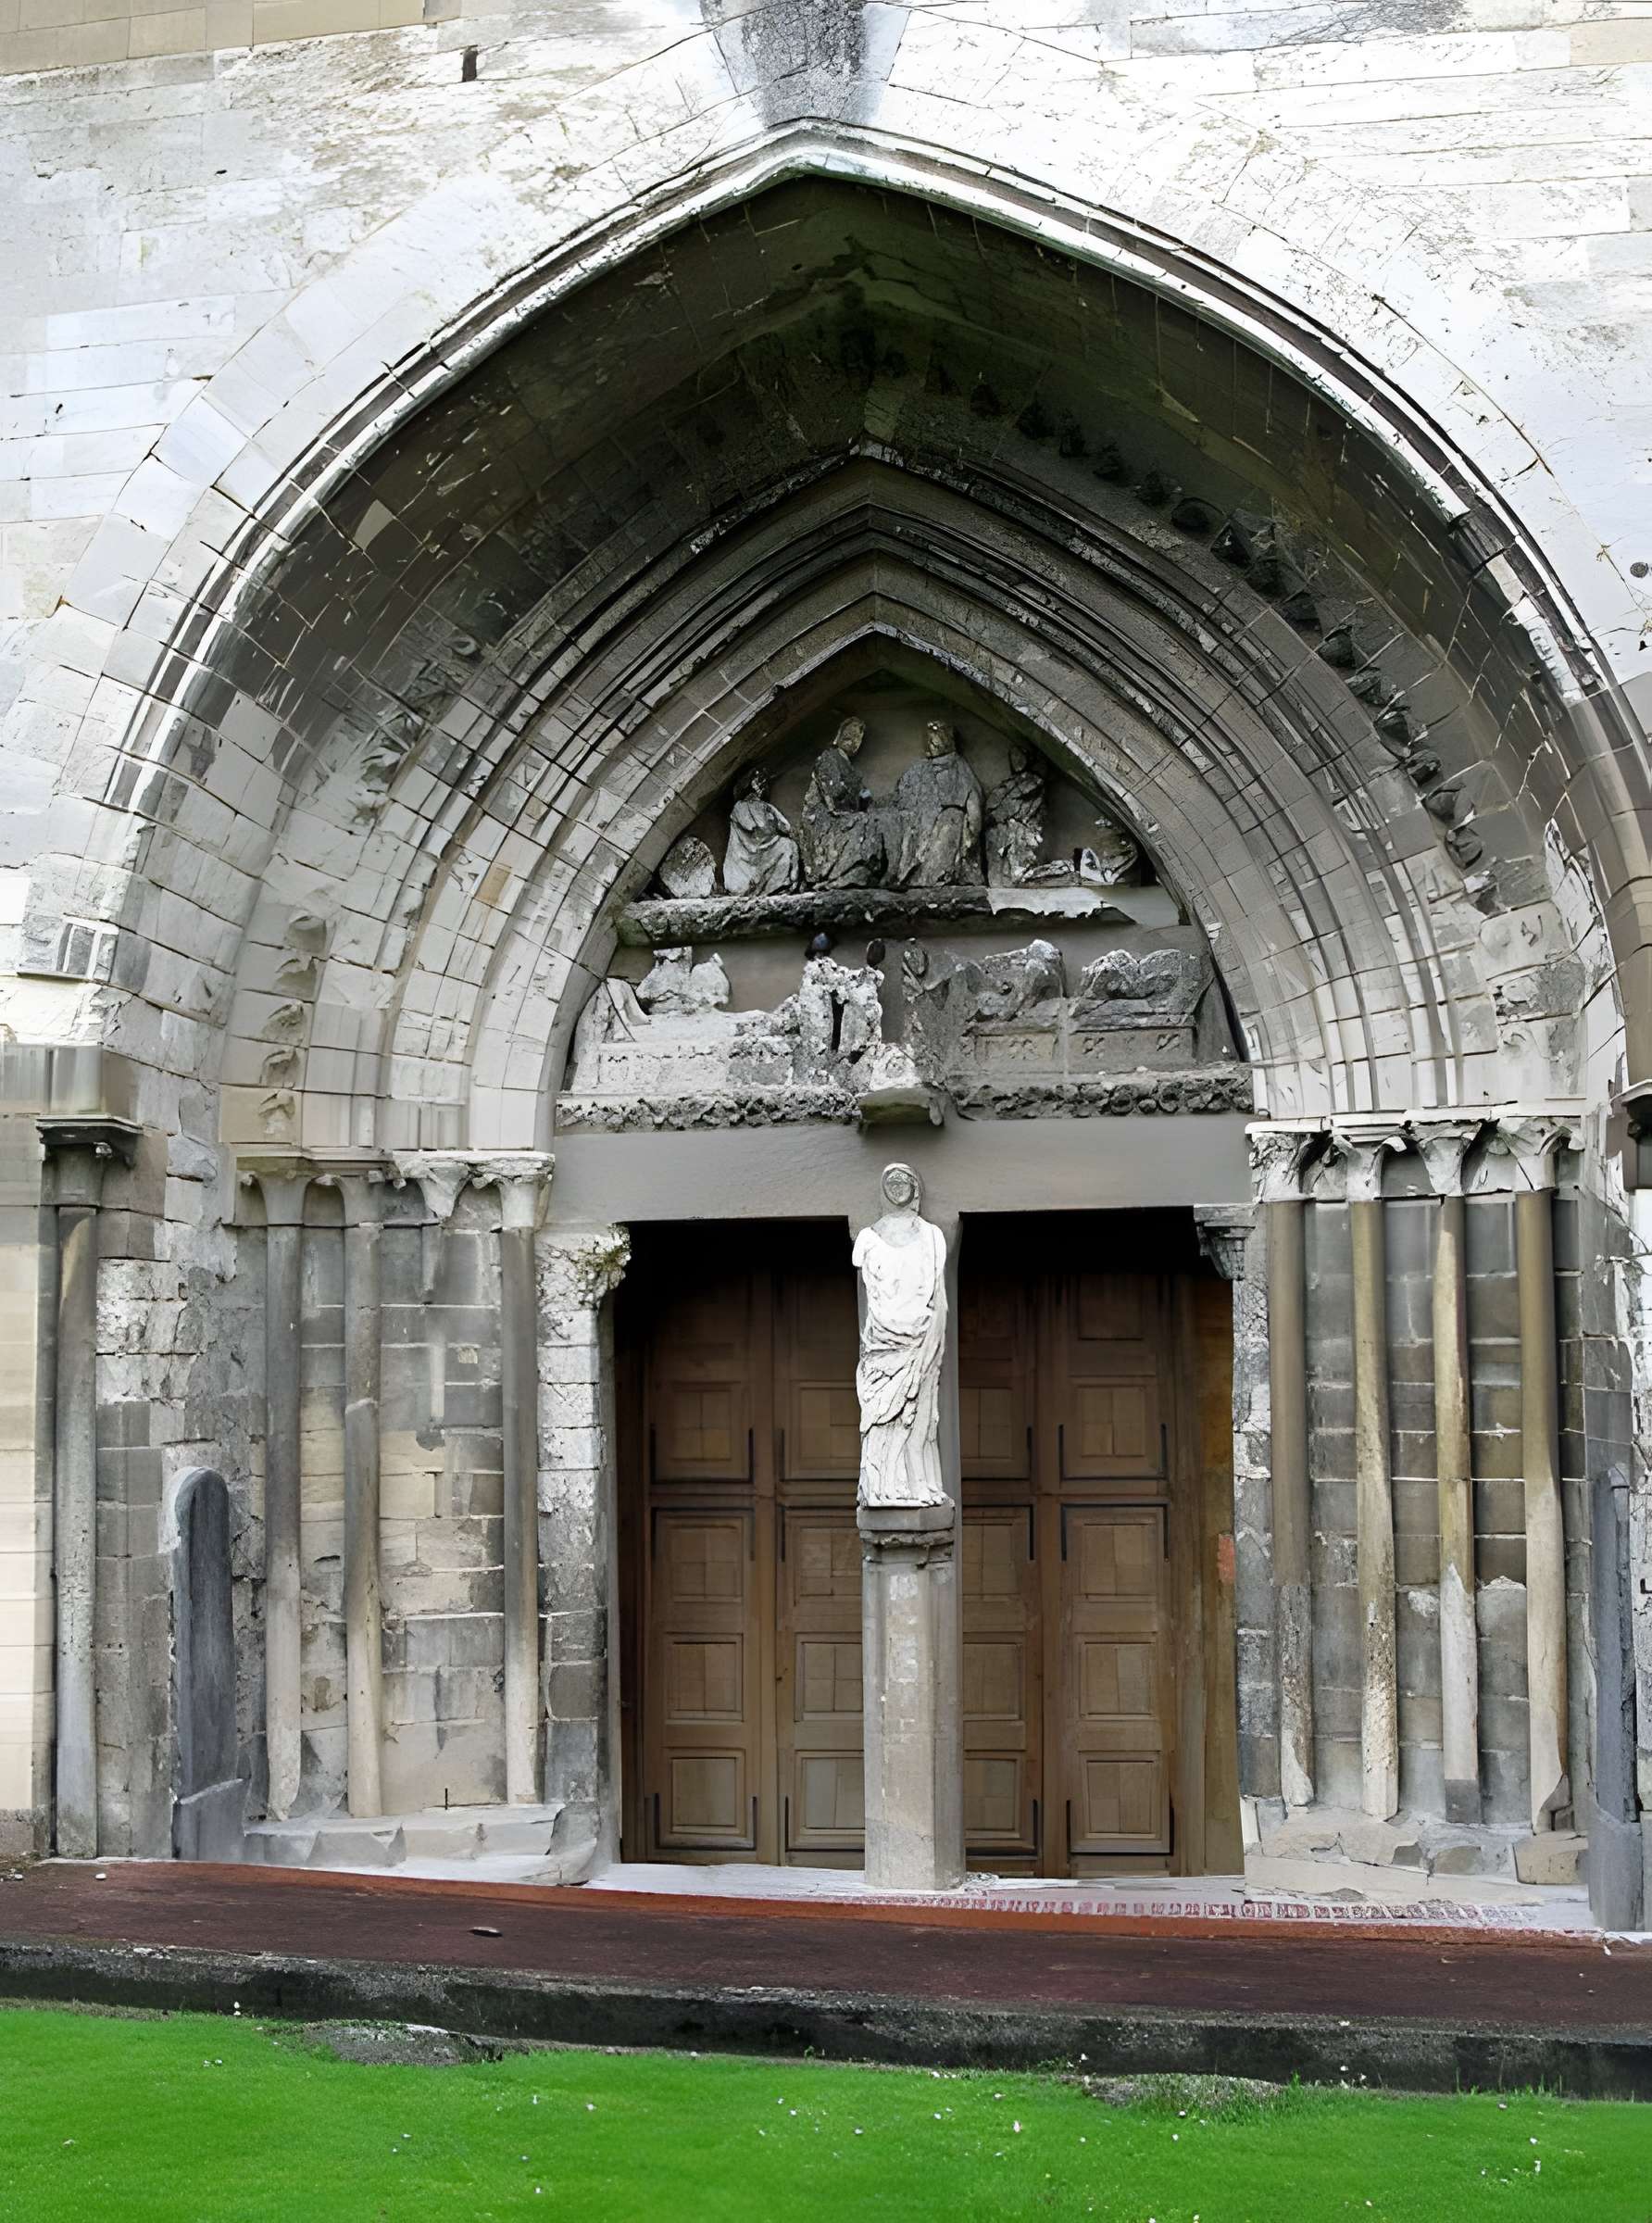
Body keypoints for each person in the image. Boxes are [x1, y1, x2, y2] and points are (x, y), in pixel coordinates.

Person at [852, 1162, 950, 1508]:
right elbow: (868, 1294)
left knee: (922, 1417)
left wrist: (930, 1338)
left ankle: (919, 1484)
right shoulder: (868, 1239)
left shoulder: (932, 1236)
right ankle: (883, 1487)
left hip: (920, 1339)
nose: (897, 1188)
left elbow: (938, 1296)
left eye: (903, 1182)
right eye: (890, 1182)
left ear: (914, 1188)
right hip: (881, 1344)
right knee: (883, 1418)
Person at [888, 721, 983, 887]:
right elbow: (902, 794)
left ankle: (933, 878)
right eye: (930, 742)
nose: (931, 746)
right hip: (921, 819)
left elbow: (974, 801)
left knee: (948, 825)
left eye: (935, 743)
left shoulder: (959, 766)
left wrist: (972, 832)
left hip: (949, 821)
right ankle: (908, 875)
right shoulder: (920, 768)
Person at [797, 715, 885, 887]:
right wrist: (855, 792)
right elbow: (835, 792)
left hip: (844, 813)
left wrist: (873, 803)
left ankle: (860, 872)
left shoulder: (849, 767)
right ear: (839, 735)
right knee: (860, 822)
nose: (853, 739)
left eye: (858, 737)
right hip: (823, 817)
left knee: (875, 819)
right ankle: (841, 876)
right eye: (849, 733)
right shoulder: (828, 758)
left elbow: (865, 795)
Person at [721, 765, 799, 895]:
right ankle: (774, 886)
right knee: (786, 845)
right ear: (749, 785)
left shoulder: (764, 806)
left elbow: (785, 827)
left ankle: (780, 885)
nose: (761, 786)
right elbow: (757, 827)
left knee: (788, 845)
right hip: (749, 858)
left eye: (763, 783)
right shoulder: (742, 807)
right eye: (758, 782)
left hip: (765, 850)